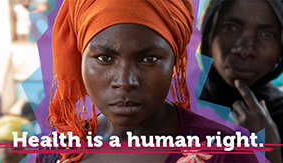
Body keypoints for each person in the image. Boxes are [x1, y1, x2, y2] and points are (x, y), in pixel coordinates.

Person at [35, 0, 260, 162]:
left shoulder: (224, 152)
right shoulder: (58, 152)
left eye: (149, 59)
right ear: (80, 59)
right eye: (104, 58)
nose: (124, 81)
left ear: (174, 62)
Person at [199, 0, 283, 161]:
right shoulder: (169, 104)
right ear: (209, 32)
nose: (244, 50)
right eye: (231, 27)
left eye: (267, 34)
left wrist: (271, 156)